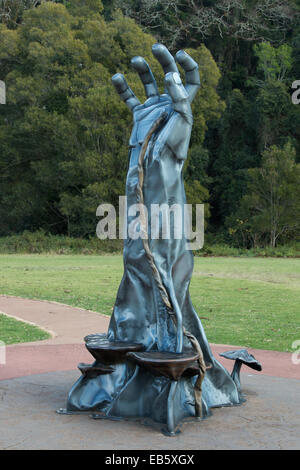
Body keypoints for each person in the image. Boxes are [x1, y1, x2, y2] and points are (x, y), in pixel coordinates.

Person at [66, 45, 241, 429]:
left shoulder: (174, 142)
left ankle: (184, 386)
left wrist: (176, 125)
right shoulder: (144, 133)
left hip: (166, 256)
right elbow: (142, 181)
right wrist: (143, 132)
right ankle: (125, 382)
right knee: (141, 265)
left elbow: (165, 169)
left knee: (166, 282)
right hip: (139, 258)